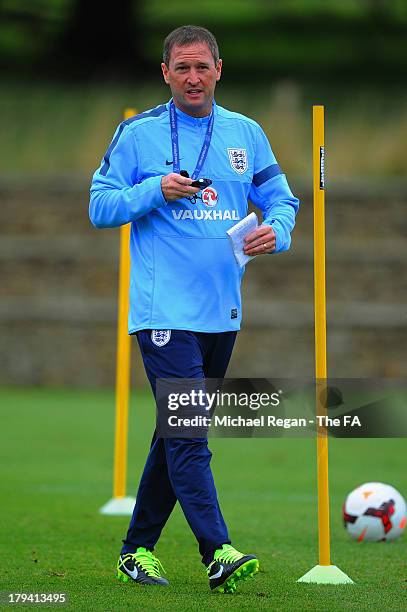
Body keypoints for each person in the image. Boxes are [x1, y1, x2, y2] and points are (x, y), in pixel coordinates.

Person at [89, 25, 299, 594]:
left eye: (202, 67)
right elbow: (100, 206)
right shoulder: (138, 134)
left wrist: (277, 231)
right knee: (189, 431)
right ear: (165, 73)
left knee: (176, 429)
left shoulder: (246, 133)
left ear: (219, 69)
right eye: (181, 67)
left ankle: (136, 551)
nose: (193, 77)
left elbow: (281, 199)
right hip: (163, 311)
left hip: (221, 311)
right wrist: (156, 188)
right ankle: (218, 549)